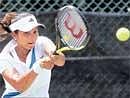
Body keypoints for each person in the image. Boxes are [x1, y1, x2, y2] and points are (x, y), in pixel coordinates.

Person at [0, 12, 65, 98]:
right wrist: (38, 66)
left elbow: (60, 61)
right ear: (14, 34)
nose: (32, 37)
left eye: (35, 32)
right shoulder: (5, 57)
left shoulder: (42, 42)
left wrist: (55, 57)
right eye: (26, 33)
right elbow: (19, 85)